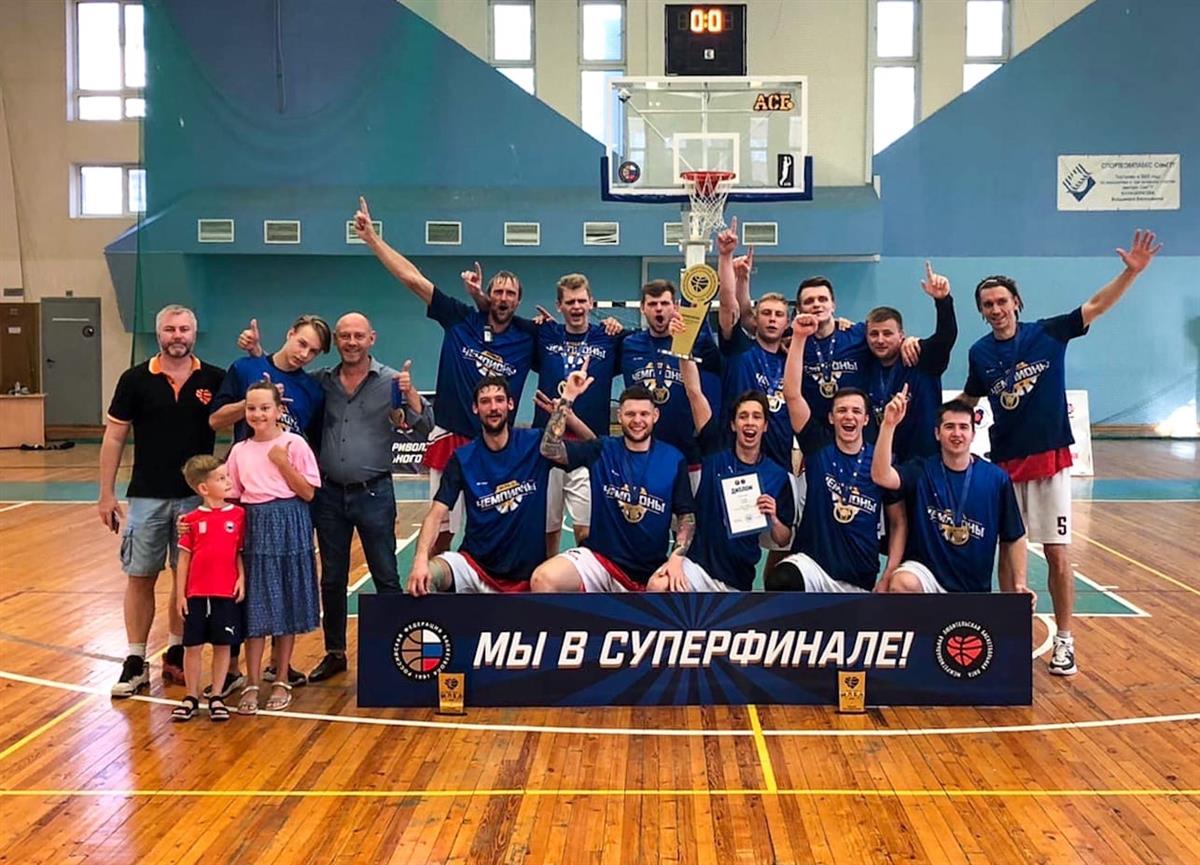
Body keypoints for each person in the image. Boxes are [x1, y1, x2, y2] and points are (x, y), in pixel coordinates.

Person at [958, 229, 1161, 675]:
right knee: (1008, 554)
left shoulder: (1049, 332)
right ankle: (1010, 637)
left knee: (1056, 554)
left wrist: (1130, 273)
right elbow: (968, 401)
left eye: (1002, 301)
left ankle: (1065, 641)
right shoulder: (979, 353)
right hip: (1005, 466)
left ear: (1016, 303)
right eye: (988, 304)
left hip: (1050, 461)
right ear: (981, 311)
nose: (996, 309)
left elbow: (1097, 305)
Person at [237, 312, 422, 683]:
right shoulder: (321, 381)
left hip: (374, 493)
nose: (351, 342)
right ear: (337, 341)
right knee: (333, 579)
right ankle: (335, 652)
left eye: (358, 336)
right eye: (344, 336)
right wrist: (258, 353)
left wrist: (412, 396)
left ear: (372, 338)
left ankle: (398, 652)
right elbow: (280, 379)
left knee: (386, 575)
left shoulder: (391, 381)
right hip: (330, 496)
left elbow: (423, 425)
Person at [354, 197, 536, 552]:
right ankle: (433, 583)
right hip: (451, 437)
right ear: (489, 295)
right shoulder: (460, 318)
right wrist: (373, 240)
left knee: (498, 527)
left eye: (510, 294)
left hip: (497, 444)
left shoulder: (528, 337)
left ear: (518, 301)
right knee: (443, 531)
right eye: (498, 291)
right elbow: (413, 279)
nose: (503, 298)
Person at [99, 304, 226, 697]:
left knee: (185, 579)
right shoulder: (135, 379)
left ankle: (176, 651)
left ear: (194, 333)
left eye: (184, 329)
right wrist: (106, 493)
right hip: (146, 497)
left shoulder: (215, 378)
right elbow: (114, 437)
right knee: (140, 576)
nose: (177, 336)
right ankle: (135, 660)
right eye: (170, 329)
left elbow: (244, 416)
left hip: (196, 500)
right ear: (159, 334)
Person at [768, 315, 907, 593]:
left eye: (856, 411)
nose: (849, 416)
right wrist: (799, 337)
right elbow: (792, 395)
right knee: (781, 578)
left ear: (866, 419)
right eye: (842, 411)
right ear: (831, 418)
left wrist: (889, 573)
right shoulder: (817, 445)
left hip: (860, 577)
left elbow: (898, 522)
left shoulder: (880, 461)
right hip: (812, 567)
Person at [532, 379, 698, 593]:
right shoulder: (602, 449)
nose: (637, 420)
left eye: (644, 414)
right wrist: (567, 400)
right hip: (600, 561)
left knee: (665, 587)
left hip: (649, 569)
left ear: (655, 416)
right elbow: (550, 450)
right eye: (630, 414)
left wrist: (676, 557)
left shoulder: (673, 459)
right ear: (619, 416)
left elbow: (686, 516)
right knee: (543, 579)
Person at [870, 393, 1036, 605]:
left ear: (973, 434)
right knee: (902, 583)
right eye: (949, 427)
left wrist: (1020, 583)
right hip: (927, 576)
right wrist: (889, 425)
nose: (957, 434)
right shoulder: (921, 471)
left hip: (972, 587)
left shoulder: (996, 479)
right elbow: (881, 476)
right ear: (937, 433)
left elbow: (1015, 535)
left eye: (963, 427)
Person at [224, 382, 322, 714]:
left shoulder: (295, 444)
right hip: (255, 525)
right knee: (256, 604)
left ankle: (281, 678)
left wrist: (283, 463)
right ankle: (252, 681)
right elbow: (233, 496)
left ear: (279, 410)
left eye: (265, 407)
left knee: (287, 600)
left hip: (290, 522)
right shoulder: (239, 450)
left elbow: (308, 492)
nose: (258, 414)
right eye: (251, 408)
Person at [407, 376, 554, 594]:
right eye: (485, 401)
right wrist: (420, 561)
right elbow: (436, 514)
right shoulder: (462, 458)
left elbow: (593, 450)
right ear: (475, 408)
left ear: (510, 404)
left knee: (559, 580)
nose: (493, 407)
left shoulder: (536, 444)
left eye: (499, 400)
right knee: (426, 578)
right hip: (475, 569)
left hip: (529, 577)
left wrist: (566, 407)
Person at [526, 273, 625, 556]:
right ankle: (546, 578)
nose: (577, 307)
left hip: (588, 447)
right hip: (548, 445)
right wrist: (538, 323)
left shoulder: (609, 338)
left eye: (582, 300)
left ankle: (589, 579)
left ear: (591, 302)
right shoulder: (544, 334)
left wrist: (616, 325)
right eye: (570, 302)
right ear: (559, 306)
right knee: (547, 529)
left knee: (588, 531)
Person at [676, 358, 795, 591]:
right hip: (698, 568)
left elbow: (783, 538)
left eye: (756, 417)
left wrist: (773, 517)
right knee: (659, 585)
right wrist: (683, 347)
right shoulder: (714, 451)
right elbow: (694, 393)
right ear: (733, 425)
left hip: (738, 578)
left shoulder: (777, 475)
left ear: (765, 425)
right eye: (743, 416)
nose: (749, 423)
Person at [617, 279, 723, 478]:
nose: (659, 309)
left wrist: (684, 337)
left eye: (664, 303)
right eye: (652, 304)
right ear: (642, 308)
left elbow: (723, 365)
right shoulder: (629, 344)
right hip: (642, 452)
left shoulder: (696, 342)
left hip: (689, 454)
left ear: (675, 306)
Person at [171, 455, 245, 723]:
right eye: (221, 478)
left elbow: (239, 552)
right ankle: (191, 696)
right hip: (197, 594)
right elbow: (183, 559)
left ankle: (216, 695)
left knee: (223, 645)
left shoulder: (238, 515)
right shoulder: (190, 520)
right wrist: (181, 594)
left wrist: (242, 578)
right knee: (192, 646)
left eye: (227, 476)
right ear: (203, 488)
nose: (228, 482)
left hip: (225, 592)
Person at [714, 221, 792, 469]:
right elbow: (728, 304)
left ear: (787, 323)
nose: (772, 319)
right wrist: (725, 257)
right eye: (766, 313)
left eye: (778, 315)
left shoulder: (792, 359)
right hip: (734, 461)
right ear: (755, 319)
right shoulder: (740, 349)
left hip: (779, 463)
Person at [863, 262, 958, 461]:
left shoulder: (920, 357)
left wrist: (943, 301)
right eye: (874, 334)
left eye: (887, 333)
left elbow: (946, 336)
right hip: (879, 462)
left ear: (901, 335)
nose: (880, 340)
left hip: (923, 463)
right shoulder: (864, 363)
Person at [209, 314, 330, 442]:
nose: (304, 354)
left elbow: (314, 445)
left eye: (313, 351)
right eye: (302, 344)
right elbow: (215, 421)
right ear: (290, 334)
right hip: (247, 453)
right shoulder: (244, 368)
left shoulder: (313, 391)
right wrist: (255, 400)